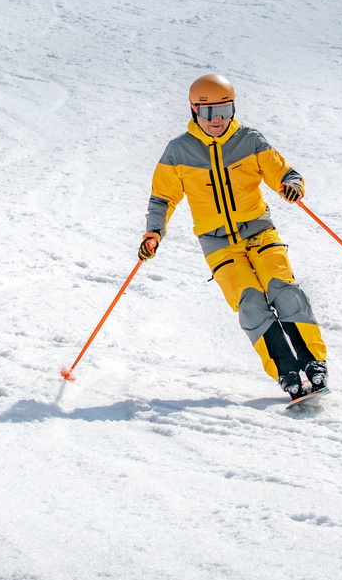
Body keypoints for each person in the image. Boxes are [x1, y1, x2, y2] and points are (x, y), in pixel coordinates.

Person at [139, 74, 329, 401]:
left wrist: (291, 185)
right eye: (210, 112)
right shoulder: (178, 151)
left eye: (225, 109)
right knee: (250, 301)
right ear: (194, 111)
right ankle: (286, 372)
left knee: (281, 288)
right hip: (218, 242)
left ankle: (313, 363)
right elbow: (162, 198)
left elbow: (282, 171)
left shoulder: (249, 141)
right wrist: (154, 231)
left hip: (258, 231)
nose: (218, 120)